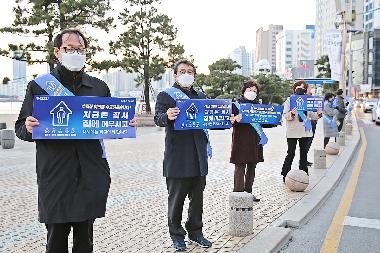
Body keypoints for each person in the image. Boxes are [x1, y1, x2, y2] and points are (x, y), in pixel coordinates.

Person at [15, 29, 137, 253]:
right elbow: (20, 128)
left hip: (89, 173)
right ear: (57, 52)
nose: (75, 53)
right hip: (56, 175)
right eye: (69, 49)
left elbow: (109, 124)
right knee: (56, 240)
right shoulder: (39, 86)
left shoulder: (99, 88)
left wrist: (124, 124)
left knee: (85, 241)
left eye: (80, 49)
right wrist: (29, 127)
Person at [154, 59, 212, 252]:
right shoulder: (166, 95)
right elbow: (158, 118)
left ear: (194, 75)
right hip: (178, 157)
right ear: (176, 75)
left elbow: (211, 118)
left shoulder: (201, 96)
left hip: (199, 156)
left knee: (197, 200)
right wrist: (167, 116)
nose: (187, 74)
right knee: (176, 200)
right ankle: (177, 236)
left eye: (190, 71)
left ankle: (196, 232)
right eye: (183, 71)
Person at [230, 80, 276, 202]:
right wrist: (235, 119)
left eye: (255, 91)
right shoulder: (236, 104)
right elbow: (229, 121)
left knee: (252, 166)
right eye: (250, 90)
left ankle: (248, 192)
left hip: (255, 140)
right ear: (244, 91)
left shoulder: (259, 106)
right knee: (240, 166)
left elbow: (265, 122)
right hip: (241, 139)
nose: (252, 92)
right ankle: (238, 194)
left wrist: (275, 121)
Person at [281, 81, 322, 182]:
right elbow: (285, 115)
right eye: (298, 86)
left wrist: (319, 114)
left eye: (303, 87)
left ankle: (304, 174)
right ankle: (285, 173)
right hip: (292, 131)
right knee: (291, 153)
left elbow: (312, 115)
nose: (300, 88)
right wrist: (292, 113)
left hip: (305, 131)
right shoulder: (289, 100)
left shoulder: (308, 100)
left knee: (304, 153)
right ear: (294, 88)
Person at [305, 85, 318, 167]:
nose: (311, 90)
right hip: (307, 122)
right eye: (309, 88)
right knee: (306, 141)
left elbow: (316, 108)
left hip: (313, 120)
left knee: (310, 140)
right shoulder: (304, 98)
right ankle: (303, 160)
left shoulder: (312, 97)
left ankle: (304, 159)